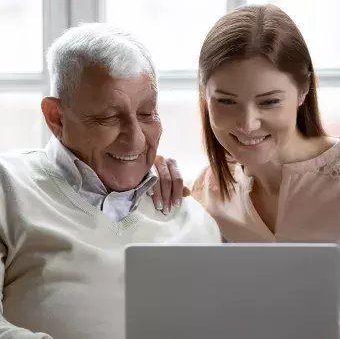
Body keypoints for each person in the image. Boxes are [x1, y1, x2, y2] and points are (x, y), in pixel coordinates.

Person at [0, 23, 221, 339]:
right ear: (56, 117)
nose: (135, 141)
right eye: (108, 118)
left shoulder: (192, 218)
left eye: (147, 115)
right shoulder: (8, 187)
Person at [153, 4, 340, 243]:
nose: (248, 124)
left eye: (269, 102)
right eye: (226, 101)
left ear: (304, 89)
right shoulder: (206, 195)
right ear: (204, 94)